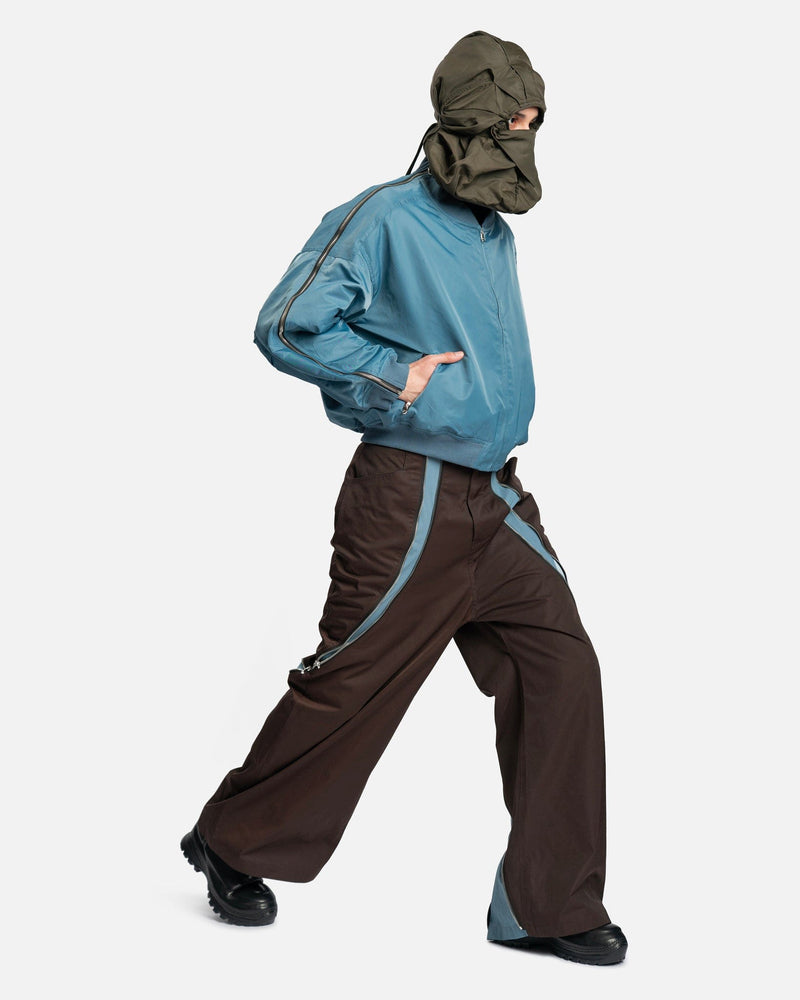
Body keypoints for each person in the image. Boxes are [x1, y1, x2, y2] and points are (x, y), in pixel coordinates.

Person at [181, 29, 628, 966]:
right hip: (409, 499)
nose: (525, 138)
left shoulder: (493, 232)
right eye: (511, 121)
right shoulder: (382, 216)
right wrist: (395, 376)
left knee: (562, 671)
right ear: (471, 120)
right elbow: (284, 323)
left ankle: (546, 905)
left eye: (534, 123)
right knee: (353, 683)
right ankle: (232, 841)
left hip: (498, 500)